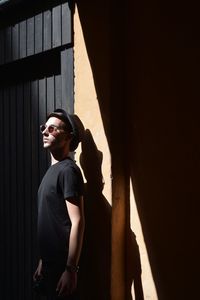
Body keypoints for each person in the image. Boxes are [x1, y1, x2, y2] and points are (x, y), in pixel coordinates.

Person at [33, 109, 85, 300]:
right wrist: (42, 262)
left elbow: (77, 221)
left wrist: (71, 269)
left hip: (61, 270)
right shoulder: (52, 171)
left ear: (68, 137)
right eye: (43, 128)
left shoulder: (68, 171)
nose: (45, 132)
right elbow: (52, 220)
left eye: (52, 128)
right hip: (48, 267)